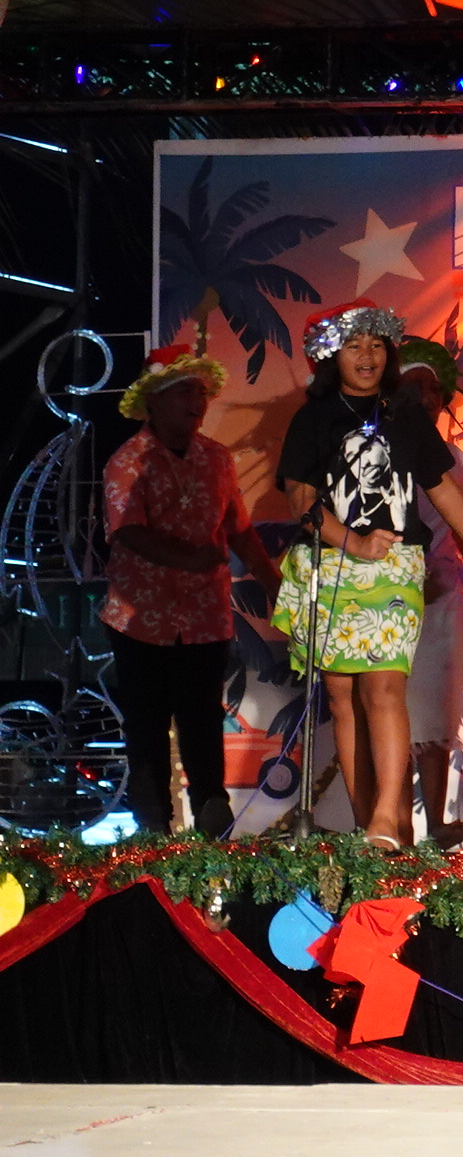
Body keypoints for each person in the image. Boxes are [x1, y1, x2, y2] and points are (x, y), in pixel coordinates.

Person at [274, 301, 463, 848]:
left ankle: (388, 815)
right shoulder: (313, 418)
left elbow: (441, 487)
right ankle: (374, 827)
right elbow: (301, 501)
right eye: (354, 345)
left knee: (384, 687)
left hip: (394, 565)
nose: (367, 356)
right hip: (331, 564)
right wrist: (353, 541)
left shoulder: (404, 415)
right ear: (333, 356)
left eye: (376, 345)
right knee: (344, 699)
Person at [100, 327, 277, 839]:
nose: (196, 402)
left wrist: (275, 583)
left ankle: (211, 817)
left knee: (202, 718)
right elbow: (127, 531)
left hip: (204, 617)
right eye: (184, 392)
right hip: (141, 620)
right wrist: (192, 559)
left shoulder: (216, 458)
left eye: (201, 392)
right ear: (154, 402)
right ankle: (153, 827)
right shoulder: (128, 461)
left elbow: (238, 529)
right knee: (147, 724)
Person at [394, 340, 463, 847]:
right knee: (397, 713)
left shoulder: (454, 458)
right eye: (414, 387)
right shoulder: (385, 453)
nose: (426, 397)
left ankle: (437, 824)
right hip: (392, 595)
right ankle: (397, 823)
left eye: (434, 388)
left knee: (436, 711)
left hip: (443, 595)